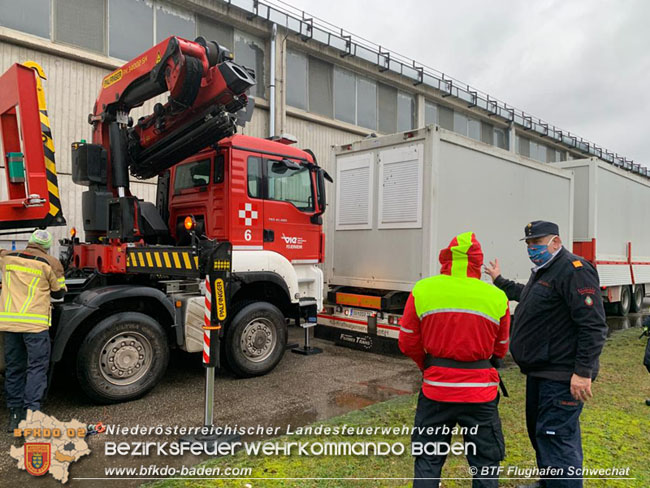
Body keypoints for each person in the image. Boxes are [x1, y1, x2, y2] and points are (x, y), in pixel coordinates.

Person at [484, 221, 607, 488]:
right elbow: (527, 296)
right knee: (541, 435)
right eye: (529, 244)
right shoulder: (544, 271)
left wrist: (583, 372)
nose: (532, 249)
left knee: (556, 437)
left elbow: (593, 325)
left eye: (537, 243)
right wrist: (499, 281)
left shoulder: (574, 270)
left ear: (555, 242)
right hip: (540, 373)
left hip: (561, 376)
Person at [399, 231, 510, 488]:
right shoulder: (496, 296)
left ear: (446, 258)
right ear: (477, 262)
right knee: (485, 462)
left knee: (428, 461)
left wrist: (428, 365)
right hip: (480, 394)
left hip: (436, 390)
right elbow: (501, 348)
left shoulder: (423, 289)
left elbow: (407, 341)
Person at [0, 229, 66, 432]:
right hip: (35, 326)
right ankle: (32, 413)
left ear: (29, 242)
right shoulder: (51, 263)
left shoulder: (7, 258)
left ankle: (14, 415)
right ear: (46, 246)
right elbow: (58, 292)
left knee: (14, 368)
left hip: (10, 324)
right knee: (36, 368)